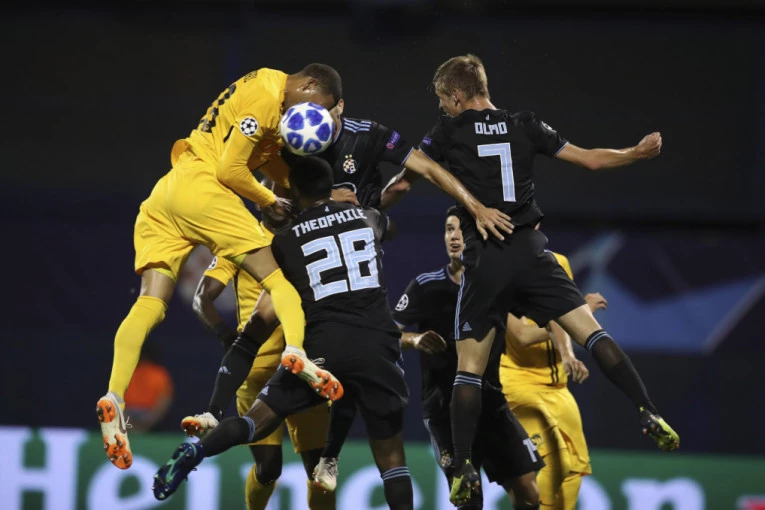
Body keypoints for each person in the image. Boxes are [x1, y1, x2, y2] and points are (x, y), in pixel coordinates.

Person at [417, 54, 679, 503]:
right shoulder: (525, 123)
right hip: (532, 253)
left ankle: (462, 465)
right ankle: (647, 409)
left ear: (457, 95)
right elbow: (590, 160)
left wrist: (386, 195)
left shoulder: (448, 131)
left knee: (469, 369)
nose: (443, 107)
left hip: (489, 257)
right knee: (593, 333)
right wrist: (635, 153)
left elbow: (416, 169)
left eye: (444, 99)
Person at [180, 98, 513, 440]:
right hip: (329, 268)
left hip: (309, 267)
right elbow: (275, 207)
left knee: (263, 333)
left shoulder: (335, 143)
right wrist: (351, 214)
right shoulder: (300, 153)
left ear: (339, 105)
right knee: (347, 359)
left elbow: (272, 205)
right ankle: (285, 399)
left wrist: (342, 212)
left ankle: (219, 415)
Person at [96, 63, 344, 470]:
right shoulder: (266, 96)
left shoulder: (273, 100)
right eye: (317, 106)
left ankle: (114, 397)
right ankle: (299, 355)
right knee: (279, 282)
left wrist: (310, 190)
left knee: (150, 303)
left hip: (169, 191)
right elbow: (231, 170)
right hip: (205, 189)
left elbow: (265, 163)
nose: (312, 116)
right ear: (310, 85)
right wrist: (270, 201)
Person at [153, 156, 415, 510]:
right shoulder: (367, 218)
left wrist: (227, 370)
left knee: (254, 423)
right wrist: (354, 209)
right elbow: (389, 228)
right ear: (331, 188)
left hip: (317, 356)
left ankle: (199, 450)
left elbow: (260, 320)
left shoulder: (284, 244)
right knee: (392, 461)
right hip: (377, 348)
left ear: (295, 195)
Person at [192, 179, 334, 510]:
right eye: (272, 192)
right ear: (258, 201)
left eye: (287, 192)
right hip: (255, 370)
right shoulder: (241, 241)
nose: (281, 199)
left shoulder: (307, 239)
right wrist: (226, 336)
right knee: (268, 469)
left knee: (319, 470)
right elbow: (202, 298)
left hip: (303, 368)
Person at [389, 207, 545, 509]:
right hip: (444, 412)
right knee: (470, 500)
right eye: (449, 229)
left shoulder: (498, 284)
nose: (455, 236)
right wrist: (415, 339)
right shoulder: (425, 286)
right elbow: (387, 333)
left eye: (462, 230)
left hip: (493, 405)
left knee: (529, 495)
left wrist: (576, 318)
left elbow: (525, 332)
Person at [501, 240, 607, 509]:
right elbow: (523, 335)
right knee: (557, 462)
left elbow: (560, 313)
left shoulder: (559, 263)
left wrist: (568, 355)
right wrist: (583, 310)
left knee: (575, 469)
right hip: (519, 384)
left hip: (557, 386)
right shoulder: (498, 272)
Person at [123, 340, 174, 432]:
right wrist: (128, 421)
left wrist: (149, 420)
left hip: (149, 416)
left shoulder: (159, 374)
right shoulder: (126, 373)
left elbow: (164, 401)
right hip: (129, 415)